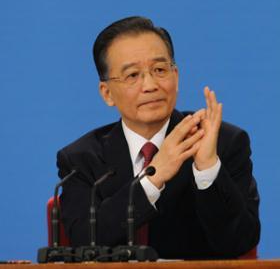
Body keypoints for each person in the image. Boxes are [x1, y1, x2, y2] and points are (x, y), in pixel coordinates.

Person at [57, 16, 260, 259]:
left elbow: (238, 243)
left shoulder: (223, 142)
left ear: (176, 76)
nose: (150, 85)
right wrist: (154, 178)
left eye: (160, 70)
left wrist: (207, 169)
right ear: (107, 93)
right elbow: (84, 242)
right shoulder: (81, 160)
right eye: (133, 75)